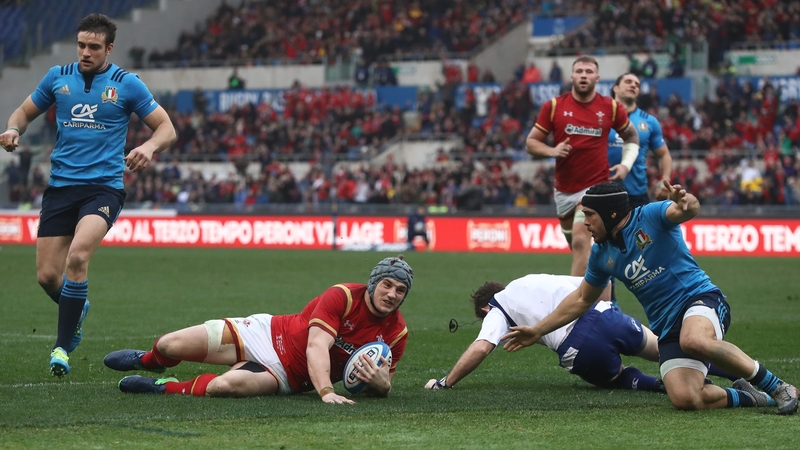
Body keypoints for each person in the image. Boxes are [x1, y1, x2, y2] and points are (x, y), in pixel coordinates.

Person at [503, 181, 798, 415]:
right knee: (685, 398)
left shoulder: (651, 216)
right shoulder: (601, 255)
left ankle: (779, 387)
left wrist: (686, 201)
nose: (585, 223)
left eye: (590, 215)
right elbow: (581, 299)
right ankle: (752, 397)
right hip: (667, 328)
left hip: (701, 300)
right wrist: (538, 330)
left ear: (611, 214)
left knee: (693, 340)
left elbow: (687, 209)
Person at [0, 14, 176, 376]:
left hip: (103, 188)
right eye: (81, 45)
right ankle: (77, 307)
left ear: (109, 49)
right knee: (48, 277)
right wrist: (13, 129)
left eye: (94, 47)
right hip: (61, 188)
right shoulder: (57, 78)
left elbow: (166, 127)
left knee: (77, 258)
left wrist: (149, 147)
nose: (85, 52)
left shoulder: (127, 85)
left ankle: (62, 348)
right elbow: (24, 111)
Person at [103, 256, 413, 404]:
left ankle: (163, 385)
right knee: (171, 345)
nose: (391, 294)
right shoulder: (343, 296)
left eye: (400, 290)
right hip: (266, 332)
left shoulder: (397, 333)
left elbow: (384, 383)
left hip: (288, 376)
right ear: (374, 283)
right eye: (387, 284)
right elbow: (316, 347)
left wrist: (381, 385)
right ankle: (148, 360)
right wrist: (327, 392)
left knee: (222, 388)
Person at [424, 274, 667, 393]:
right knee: (662, 349)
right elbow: (600, 281)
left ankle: (651, 384)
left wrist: (444, 383)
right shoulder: (530, 279)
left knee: (615, 378)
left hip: (579, 346)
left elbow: (482, 347)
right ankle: (702, 362)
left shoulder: (497, 309)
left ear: (485, 308)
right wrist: (609, 317)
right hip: (607, 316)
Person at [525, 55, 640, 277]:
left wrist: (625, 165)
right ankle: (603, 302)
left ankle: (578, 307)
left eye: (588, 72)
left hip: (595, 187)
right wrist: (552, 151)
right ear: (572, 76)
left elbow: (632, 138)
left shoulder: (611, 108)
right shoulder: (555, 106)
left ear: (597, 78)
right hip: (563, 190)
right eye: (579, 71)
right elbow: (531, 143)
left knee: (580, 239)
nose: (584, 75)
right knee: (582, 248)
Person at [608, 73, 673, 208]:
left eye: (637, 84)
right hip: (602, 192)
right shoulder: (600, 116)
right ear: (615, 88)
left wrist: (665, 180)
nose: (633, 85)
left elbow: (664, 155)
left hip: (636, 196)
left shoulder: (649, 121)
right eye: (628, 82)